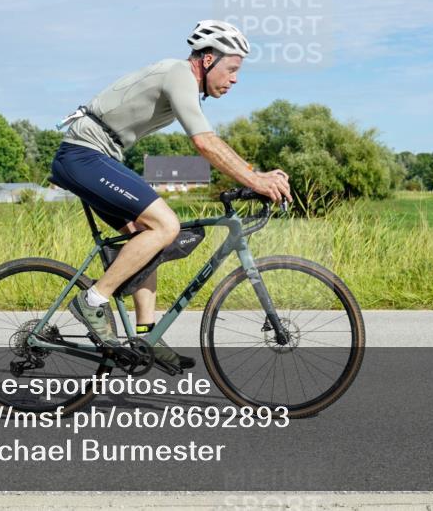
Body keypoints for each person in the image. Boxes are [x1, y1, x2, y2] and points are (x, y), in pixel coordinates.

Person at [51, 20, 291, 372]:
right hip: (83, 155)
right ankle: (92, 301)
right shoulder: (179, 73)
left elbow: (209, 139)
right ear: (208, 59)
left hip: (98, 156)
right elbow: (204, 140)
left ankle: (146, 334)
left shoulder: (183, 82)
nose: (235, 78)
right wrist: (256, 180)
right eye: (232, 68)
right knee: (167, 225)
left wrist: (253, 175)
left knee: (147, 238)